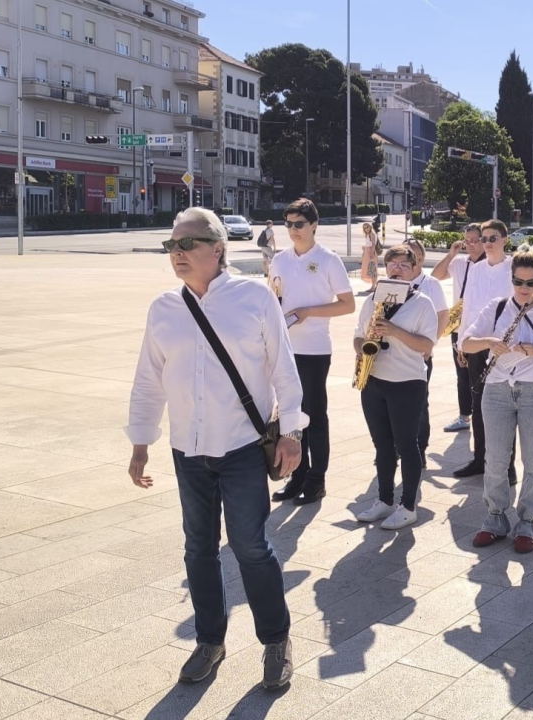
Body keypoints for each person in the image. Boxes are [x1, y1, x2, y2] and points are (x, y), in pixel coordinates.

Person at [126, 207, 303, 689]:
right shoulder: (164, 308)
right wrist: (141, 441)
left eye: (187, 244)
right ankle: (210, 641)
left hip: (243, 448)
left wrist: (292, 431)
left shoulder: (253, 299)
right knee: (198, 550)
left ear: (218, 249)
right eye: (171, 246)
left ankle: (275, 641)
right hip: (188, 451)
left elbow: (285, 370)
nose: (177, 253)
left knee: (251, 548)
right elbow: (149, 380)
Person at [463, 249, 533, 553]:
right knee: (495, 459)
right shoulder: (497, 307)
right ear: (511, 279)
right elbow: (466, 340)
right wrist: (489, 342)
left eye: (530, 283)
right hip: (497, 389)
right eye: (518, 282)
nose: (524, 289)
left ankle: (527, 522)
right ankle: (495, 516)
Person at [267, 199, 356, 505]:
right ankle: (297, 475)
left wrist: (308, 312)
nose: (293, 230)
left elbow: (347, 304)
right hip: (284, 347)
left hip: (315, 349)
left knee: (314, 415)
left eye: (299, 224)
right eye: (289, 224)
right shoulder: (279, 259)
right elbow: (272, 297)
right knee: (290, 414)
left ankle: (317, 480)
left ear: (314, 225)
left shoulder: (328, 259)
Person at [352, 246, 439, 530]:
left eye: (403, 264)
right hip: (375, 380)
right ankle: (385, 500)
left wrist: (393, 331)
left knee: (407, 446)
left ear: (414, 270)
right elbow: (357, 337)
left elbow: (426, 347)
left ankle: (409, 505)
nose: (397, 268)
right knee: (382, 447)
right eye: (392, 263)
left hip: (407, 382)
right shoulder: (373, 299)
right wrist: (363, 349)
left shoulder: (422, 302)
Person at [454, 220, 514, 480]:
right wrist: (461, 341)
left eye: (492, 238)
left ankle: (508, 467)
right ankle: (480, 459)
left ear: (504, 239)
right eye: (484, 239)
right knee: (478, 404)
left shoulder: (515, 267)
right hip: (477, 344)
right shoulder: (476, 269)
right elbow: (468, 305)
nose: (487, 243)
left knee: (504, 407)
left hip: (504, 347)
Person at [432, 224, 484, 433]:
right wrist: (451, 253)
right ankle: (464, 416)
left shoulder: (490, 264)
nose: (470, 245)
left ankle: (483, 414)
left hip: (480, 327)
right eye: (467, 240)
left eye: (475, 240)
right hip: (458, 325)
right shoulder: (460, 262)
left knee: (479, 373)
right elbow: (436, 275)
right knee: (461, 373)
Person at [405, 240, 449, 467]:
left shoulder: (431, 284)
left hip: (421, 353)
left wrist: (430, 345)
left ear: (420, 259)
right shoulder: (391, 282)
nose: (406, 260)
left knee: (420, 403)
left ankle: (419, 449)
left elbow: (443, 316)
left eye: (411, 255)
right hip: (393, 356)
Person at [359, 222, 382, 290]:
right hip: (367, 253)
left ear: (370, 227)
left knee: (372, 270)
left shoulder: (372, 234)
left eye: (367, 227)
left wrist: (371, 254)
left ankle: (373, 286)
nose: (366, 229)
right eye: (365, 228)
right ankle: (373, 286)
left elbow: (373, 245)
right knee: (370, 270)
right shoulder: (368, 235)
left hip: (371, 254)